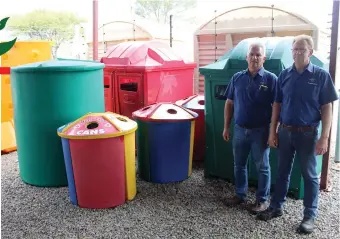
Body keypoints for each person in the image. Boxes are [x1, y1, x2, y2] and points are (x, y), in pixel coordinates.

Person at [257, 35, 339, 234]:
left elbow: (327, 107)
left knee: (310, 176)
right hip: (285, 132)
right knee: (282, 172)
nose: (298, 53)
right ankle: (276, 207)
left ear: (310, 52)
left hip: (308, 135)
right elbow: (277, 104)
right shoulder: (284, 75)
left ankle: (309, 216)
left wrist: (324, 137)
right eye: (295, 49)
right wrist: (273, 131)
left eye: (302, 50)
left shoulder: (320, 76)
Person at [222, 41, 277, 214]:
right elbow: (229, 103)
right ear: (246, 57)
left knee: (263, 167)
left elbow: (277, 106)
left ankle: (262, 200)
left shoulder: (271, 79)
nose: (254, 57)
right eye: (252, 54)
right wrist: (226, 127)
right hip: (239, 130)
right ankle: (240, 195)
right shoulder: (237, 78)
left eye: (258, 55)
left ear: (264, 58)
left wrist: (273, 132)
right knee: (239, 165)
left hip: (261, 132)